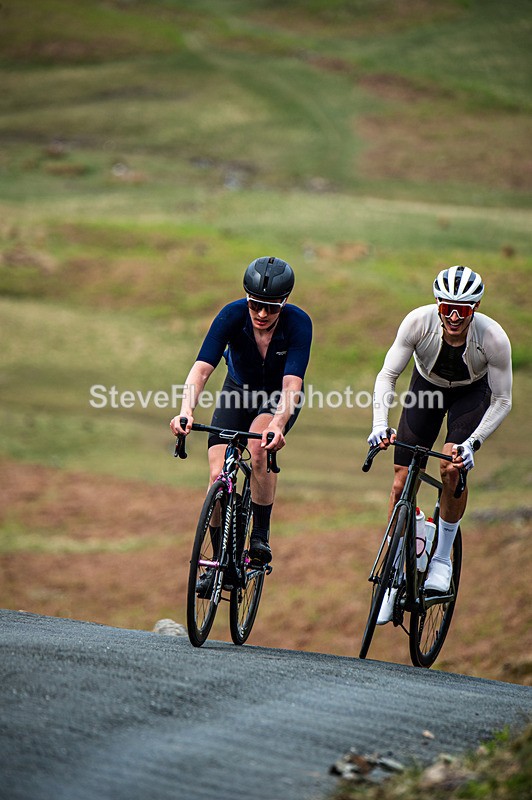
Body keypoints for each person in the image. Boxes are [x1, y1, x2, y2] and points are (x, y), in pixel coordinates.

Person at [367, 265, 512, 624]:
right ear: (437, 304)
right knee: (402, 479)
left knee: (450, 466)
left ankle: (442, 559)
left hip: (471, 394)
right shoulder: (418, 323)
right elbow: (388, 375)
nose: (453, 316)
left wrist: (473, 444)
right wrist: (379, 425)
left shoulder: (493, 338)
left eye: (462, 309)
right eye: (447, 307)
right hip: (426, 388)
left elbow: (502, 400)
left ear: (474, 309)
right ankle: (396, 570)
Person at [170, 256, 312, 575]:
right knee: (217, 472)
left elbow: (292, 383)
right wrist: (185, 411)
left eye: (272, 307)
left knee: (259, 449)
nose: (262, 314)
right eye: (256, 304)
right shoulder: (231, 315)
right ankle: (219, 564)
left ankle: (260, 535)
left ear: (284, 303)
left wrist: (277, 424)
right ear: (247, 298)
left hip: (278, 397)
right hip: (238, 390)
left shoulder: (298, 323)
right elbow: (202, 369)